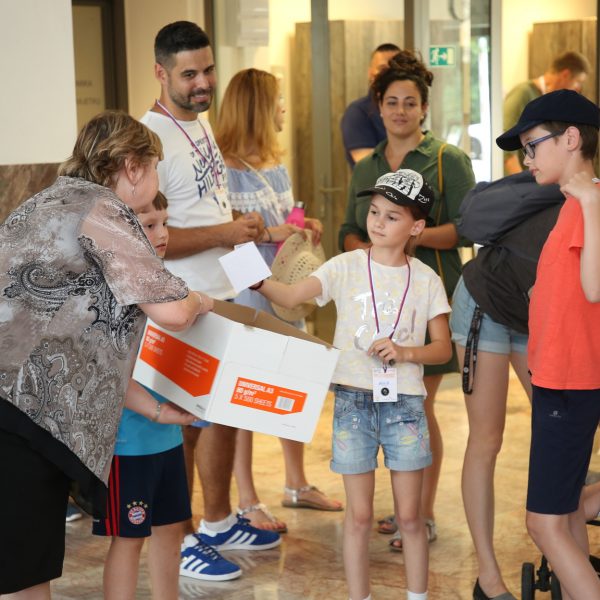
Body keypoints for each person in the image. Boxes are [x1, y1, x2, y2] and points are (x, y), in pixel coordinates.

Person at [0, 110, 208, 598]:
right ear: (133, 166)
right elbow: (174, 311)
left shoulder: (47, 199)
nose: (155, 182)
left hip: (15, 403)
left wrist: (157, 409)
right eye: (154, 168)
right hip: (26, 409)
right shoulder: (102, 208)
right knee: (25, 570)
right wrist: (203, 300)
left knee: (22, 565)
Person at [250, 169, 452, 600]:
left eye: (392, 216)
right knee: (358, 517)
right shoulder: (345, 266)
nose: (377, 222)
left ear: (416, 227)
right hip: (352, 403)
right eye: (374, 211)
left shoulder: (426, 280)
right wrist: (256, 279)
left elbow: (442, 349)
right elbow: (292, 296)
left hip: (405, 406)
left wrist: (406, 353)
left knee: (410, 517)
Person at [140, 21, 280, 580]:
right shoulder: (148, 141)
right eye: (189, 75)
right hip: (179, 304)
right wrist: (226, 233)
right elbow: (153, 238)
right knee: (181, 424)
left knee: (222, 414)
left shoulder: (199, 125)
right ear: (160, 73)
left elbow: (209, 212)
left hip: (221, 295)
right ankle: (181, 538)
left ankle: (219, 522)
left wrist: (248, 237)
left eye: (208, 70)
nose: (202, 84)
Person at [339, 50, 475, 548]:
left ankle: (420, 514)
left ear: (424, 108)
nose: (400, 111)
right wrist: (366, 248)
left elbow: (467, 229)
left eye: (410, 102)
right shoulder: (368, 166)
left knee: (416, 405)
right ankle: (402, 509)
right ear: (378, 107)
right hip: (373, 306)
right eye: (391, 102)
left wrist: (406, 240)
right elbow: (348, 229)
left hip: (427, 297)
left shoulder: (447, 160)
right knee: (384, 406)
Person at [94, 191, 242, 599]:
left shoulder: (171, 287)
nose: (162, 234)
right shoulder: (116, 289)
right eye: (149, 225)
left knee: (171, 529)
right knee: (128, 537)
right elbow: (110, 368)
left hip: (168, 438)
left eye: (165, 223)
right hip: (127, 444)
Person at [214, 67, 342, 533]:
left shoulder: (276, 165)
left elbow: (285, 221)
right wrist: (272, 232)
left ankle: (296, 483)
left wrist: (304, 228)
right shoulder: (223, 169)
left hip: (286, 288)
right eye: (278, 100)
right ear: (258, 109)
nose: (284, 108)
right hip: (247, 288)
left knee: (295, 383)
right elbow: (226, 237)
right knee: (243, 393)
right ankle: (247, 498)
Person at [496, 89, 600, 599]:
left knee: (543, 523)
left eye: (533, 147)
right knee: (565, 514)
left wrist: (591, 202)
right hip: (560, 378)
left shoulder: (589, 202)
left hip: (571, 382)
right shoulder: (573, 205)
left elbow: (595, 287)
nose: (527, 160)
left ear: (572, 138)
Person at [449, 172, 564, 600]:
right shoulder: (577, 205)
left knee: (559, 429)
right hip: (487, 304)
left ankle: (561, 544)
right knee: (487, 438)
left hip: (536, 313)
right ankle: (488, 577)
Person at [503, 51, 590, 175]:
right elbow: (507, 152)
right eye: (578, 82)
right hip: (523, 183)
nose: (578, 88)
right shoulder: (523, 94)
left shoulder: (553, 102)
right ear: (565, 75)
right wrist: (524, 184)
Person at [341, 43, 400, 168]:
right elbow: (370, 167)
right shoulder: (357, 113)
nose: (390, 75)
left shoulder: (408, 111)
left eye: (396, 69)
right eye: (383, 69)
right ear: (370, 73)